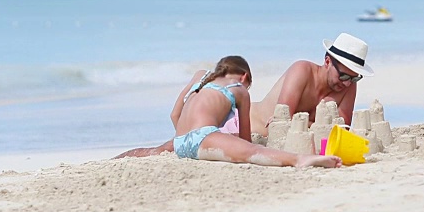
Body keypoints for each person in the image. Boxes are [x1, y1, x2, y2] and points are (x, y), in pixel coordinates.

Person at [114, 32, 373, 158]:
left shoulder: (349, 86)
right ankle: (124, 156)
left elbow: (340, 127)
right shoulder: (302, 70)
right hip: (241, 124)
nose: (347, 83)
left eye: (354, 77)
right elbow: (282, 118)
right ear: (327, 61)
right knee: (166, 148)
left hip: (254, 135)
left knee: (179, 146)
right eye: (344, 75)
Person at [120, 55, 341, 168]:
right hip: (203, 137)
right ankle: (299, 160)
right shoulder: (239, 91)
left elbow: (174, 114)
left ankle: (118, 157)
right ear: (244, 77)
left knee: (150, 151)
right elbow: (247, 142)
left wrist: (186, 138)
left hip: (180, 141)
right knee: (253, 153)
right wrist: (228, 141)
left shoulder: (200, 76)